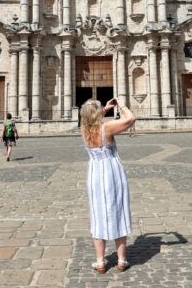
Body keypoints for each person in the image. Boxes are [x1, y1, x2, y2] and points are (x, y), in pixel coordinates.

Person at [81, 98, 136, 274]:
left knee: (98, 216)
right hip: (112, 173)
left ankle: (100, 262)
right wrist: (121, 104)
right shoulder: (107, 127)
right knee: (118, 212)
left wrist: (103, 108)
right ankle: (121, 260)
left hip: (95, 175)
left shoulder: (84, 129)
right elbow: (130, 119)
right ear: (99, 114)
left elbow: (92, 117)